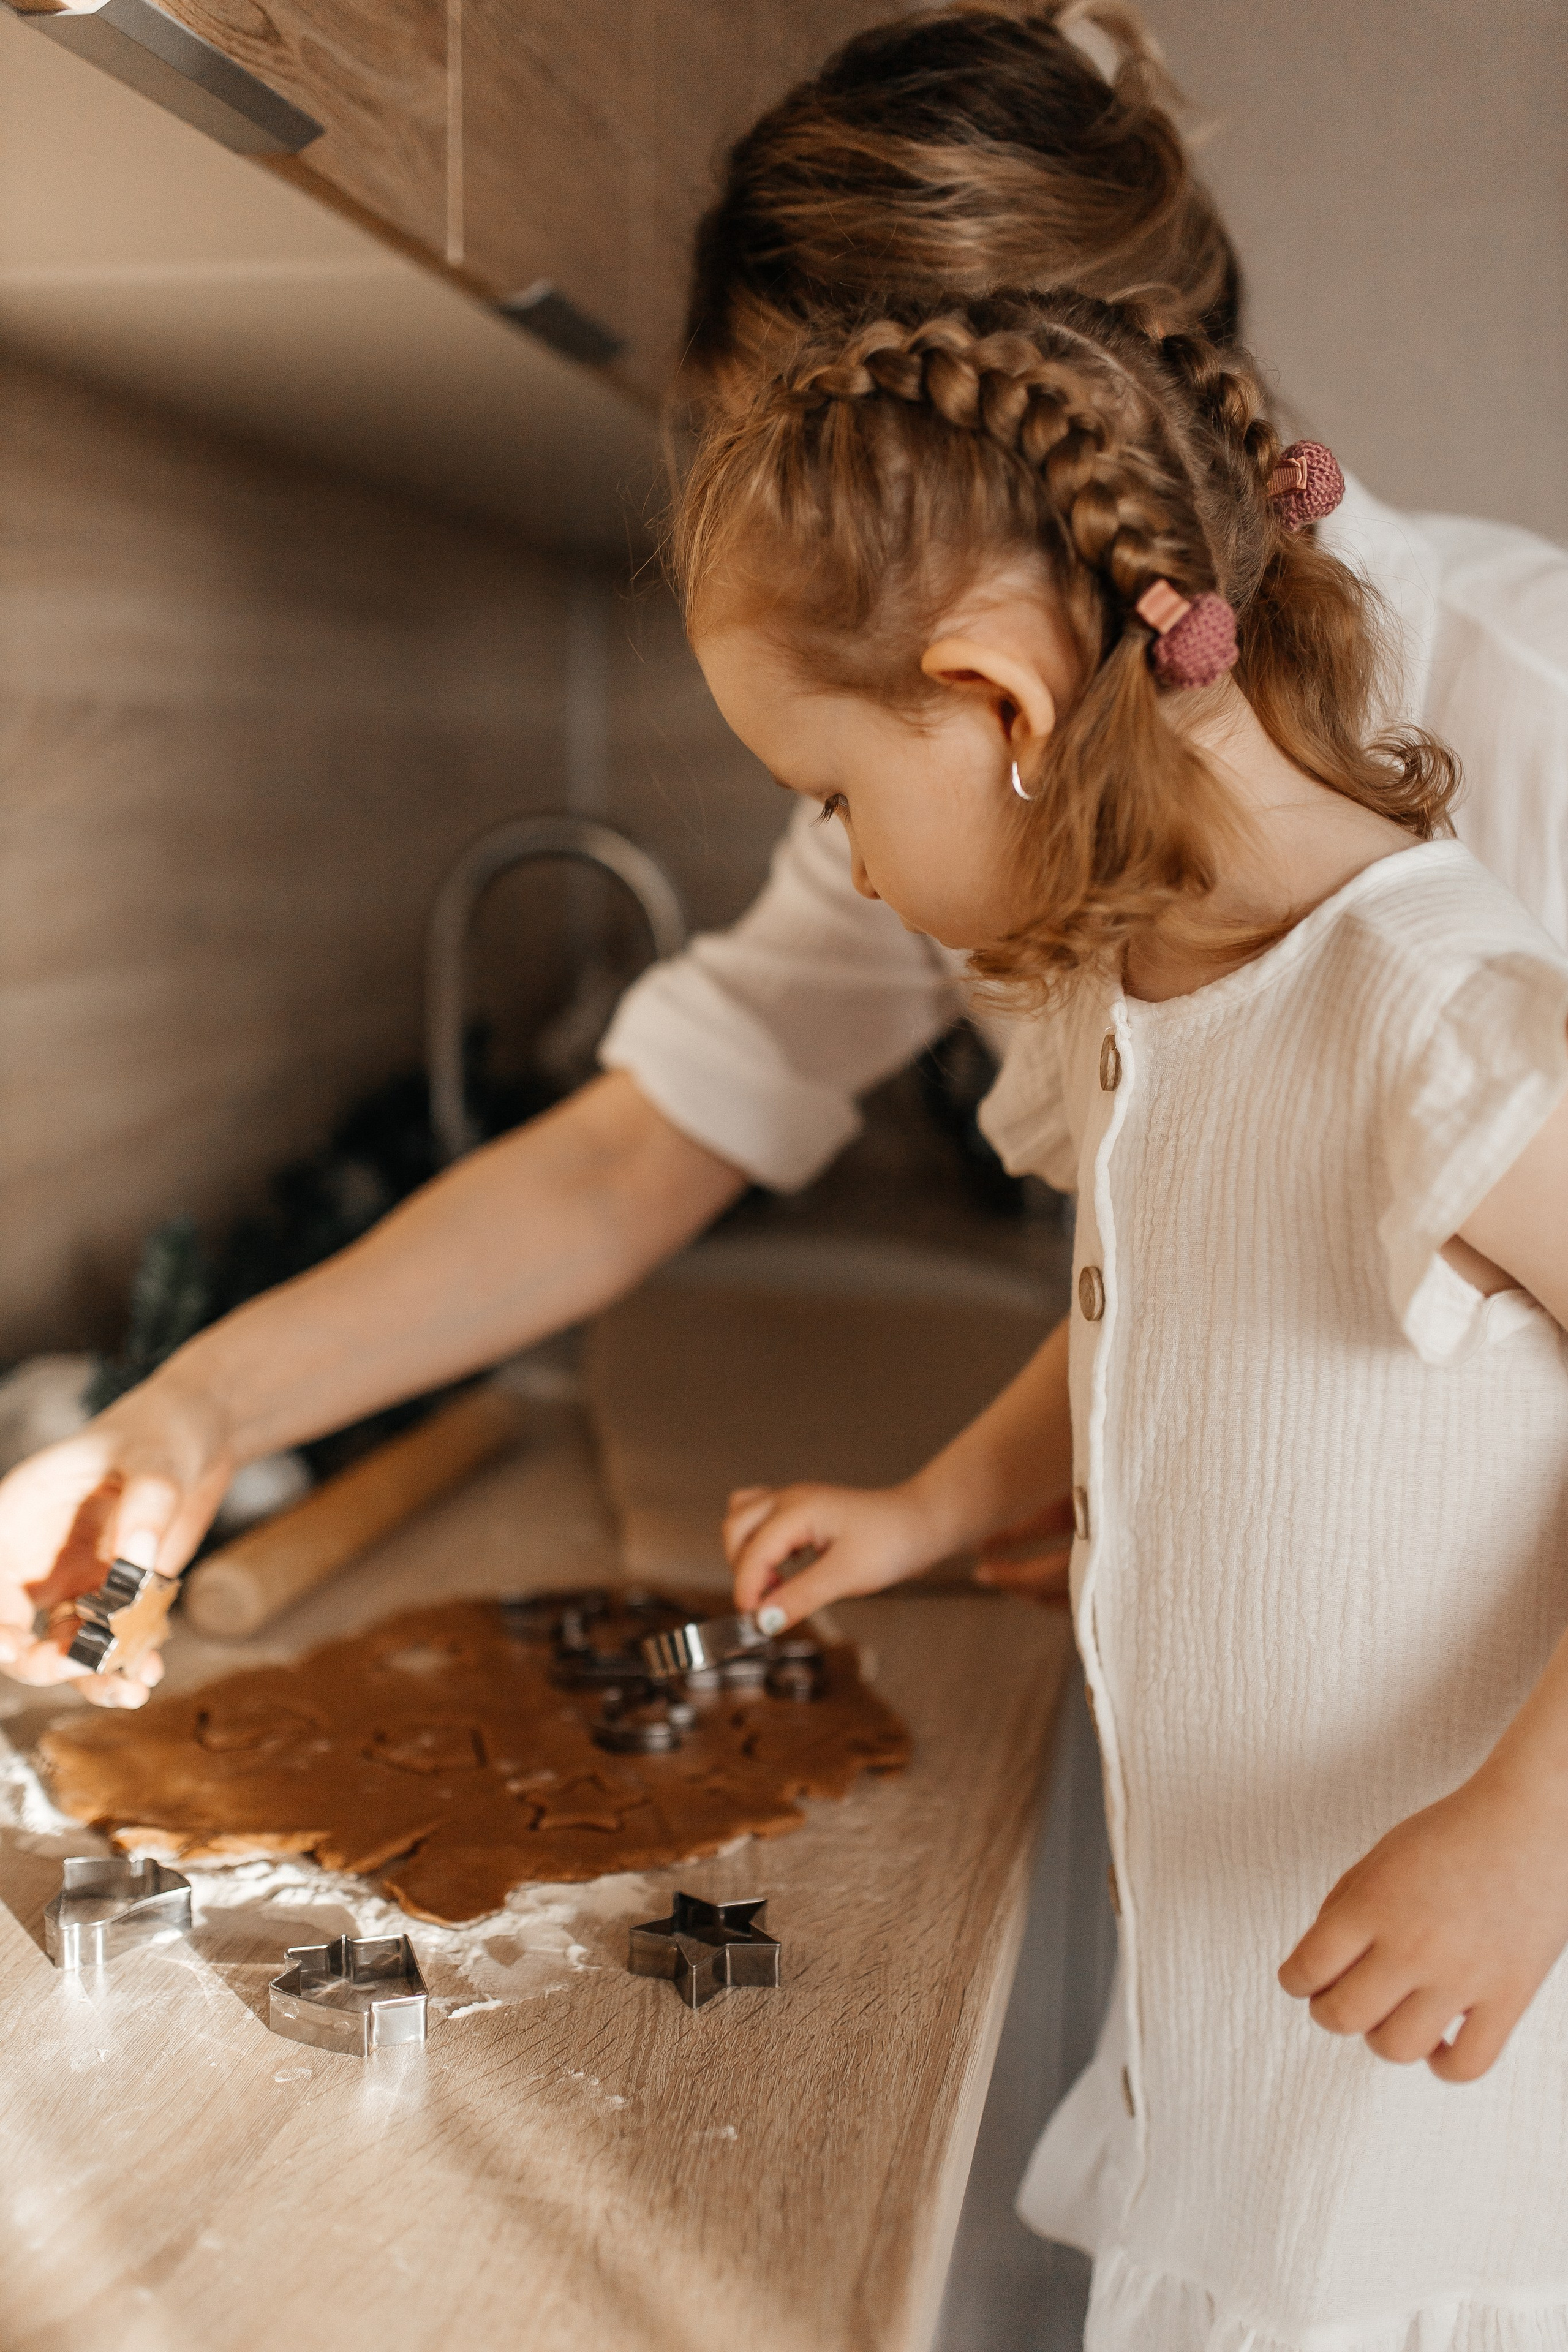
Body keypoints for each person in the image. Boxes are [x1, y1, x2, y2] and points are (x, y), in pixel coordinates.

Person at [1, 2, 1564, 1712]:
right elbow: (639, 1157)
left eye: (837, 487)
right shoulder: (980, 790)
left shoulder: (1522, 722)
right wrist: (189, 1414)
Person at [679, 290, 1568, 2346]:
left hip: (1440, 2156)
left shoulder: (1421, 1011)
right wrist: (931, 1503)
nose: (858, 871)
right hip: (1242, 2071)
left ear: (996, 699)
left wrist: (1530, 1835)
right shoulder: (1145, 1000)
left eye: (830, 795)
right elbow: (1157, 1306)